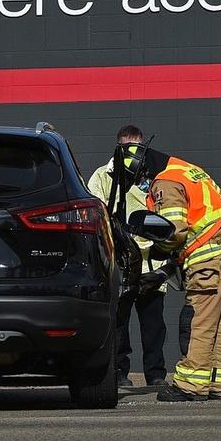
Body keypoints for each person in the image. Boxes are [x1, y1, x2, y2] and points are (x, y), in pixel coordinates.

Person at [120, 140, 221, 401]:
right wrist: (166, 270)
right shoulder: (188, 169)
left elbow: (174, 230)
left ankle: (190, 385)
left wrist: (159, 249)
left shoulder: (165, 183)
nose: (142, 185)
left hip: (207, 258)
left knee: (199, 320)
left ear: (143, 170)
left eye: (140, 180)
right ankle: (219, 384)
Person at [87, 125, 167, 388]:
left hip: (150, 262)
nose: (133, 155)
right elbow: (98, 215)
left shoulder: (156, 176)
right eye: (127, 149)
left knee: (154, 326)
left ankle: (156, 375)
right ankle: (120, 372)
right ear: (118, 147)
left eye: (138, 149)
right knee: (119, 324)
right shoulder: (103, 176)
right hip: (121, 262)